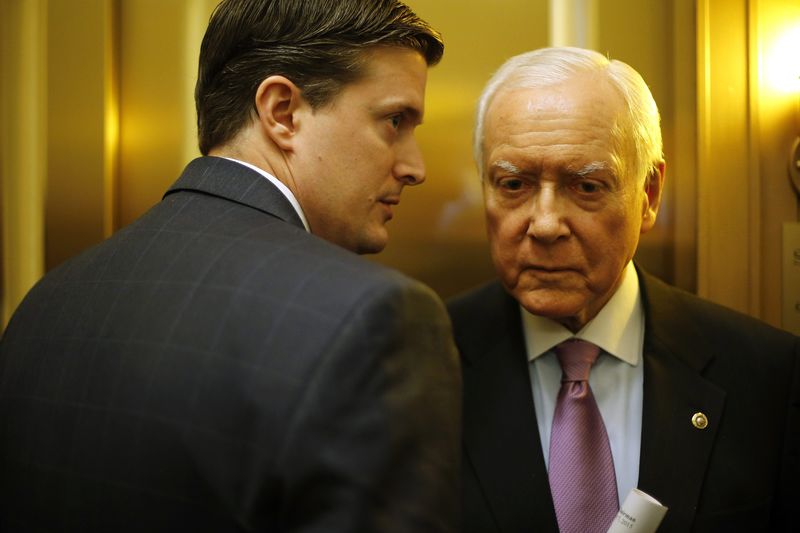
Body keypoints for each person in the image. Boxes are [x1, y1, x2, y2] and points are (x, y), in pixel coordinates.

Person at [0, 1, 462, 531]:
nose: (415, 167)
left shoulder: (47, 302)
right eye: (395, 121)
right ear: (282, 111)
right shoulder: (372, 320)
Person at [448, 46, 799, 533]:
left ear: (649, 195)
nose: (546, 224)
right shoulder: (424, 362)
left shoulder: (767, 376)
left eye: (586, 187)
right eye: (513, 184)